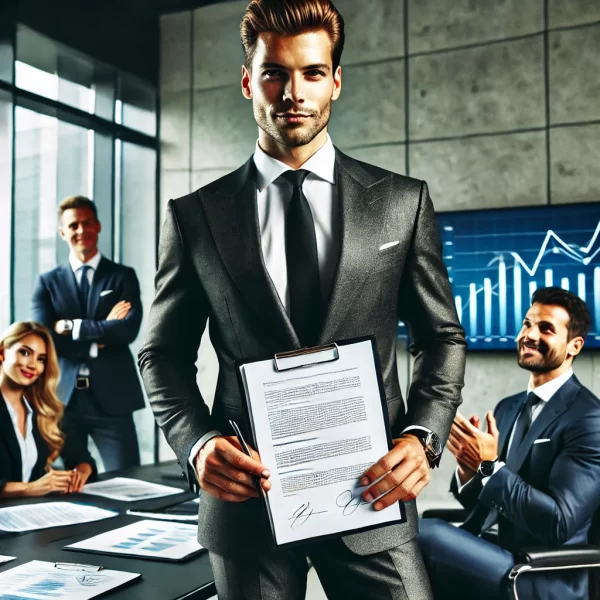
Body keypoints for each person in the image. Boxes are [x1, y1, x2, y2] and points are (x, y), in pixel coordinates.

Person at [139, 1, 466, 598]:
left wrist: (423, 436)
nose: (294, 92)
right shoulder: (194, 218)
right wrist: (198, 442)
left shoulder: (401, 203)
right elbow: (159, 354)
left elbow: (440, 336)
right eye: (274, 73)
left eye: (313, 73)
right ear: (247, 81)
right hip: (248, 504)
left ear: (335, 81)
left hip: (372, 494)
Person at [419, 287, 600, 600]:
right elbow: (491, 506)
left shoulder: (589, 419)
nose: (529, 335)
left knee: (425, 536)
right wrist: (470, 472)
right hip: (497, 554)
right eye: (527, 324)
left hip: (542, 576)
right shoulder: (508, 408)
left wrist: (490, 467)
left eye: (545, 329)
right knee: (405, 533)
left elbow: (558, 524)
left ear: (574, 346)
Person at [31, 195, 145, 472]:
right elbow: (46, 341)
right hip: (63, 400)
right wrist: (101, 337)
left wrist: (72, 327)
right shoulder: (47, 283)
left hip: (113, 400)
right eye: (73, 226)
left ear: (98, 226)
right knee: (73, 482)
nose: (81, 230)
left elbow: (128, 330)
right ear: (62, 233)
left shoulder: (122, 276)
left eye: (87, 223)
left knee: (130, 477)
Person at [0, 321, 97, 498]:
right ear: (2, 353)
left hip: (35, 514)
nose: (32, 365)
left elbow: (82, 458)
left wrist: (80, 473)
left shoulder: (45, 409)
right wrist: (29, 488)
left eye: (41, 359)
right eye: (25, 352)